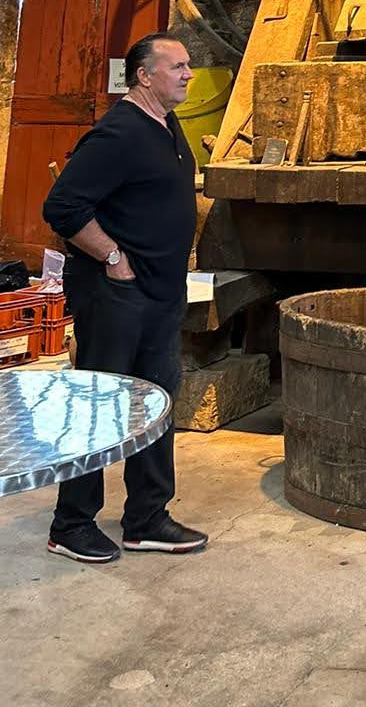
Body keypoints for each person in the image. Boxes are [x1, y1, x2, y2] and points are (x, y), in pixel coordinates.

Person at [42, 32, 208, 564]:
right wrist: (113, 256)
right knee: (98, 405)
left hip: (160, 295)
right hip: (116, 296)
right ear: (144, 76)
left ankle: (146, 518)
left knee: (155, 405)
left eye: (187, 65)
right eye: (177, 66)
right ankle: (71, 524)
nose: (188, 74)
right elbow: (62, 207)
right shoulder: (119, 132)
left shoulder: (167, 125)